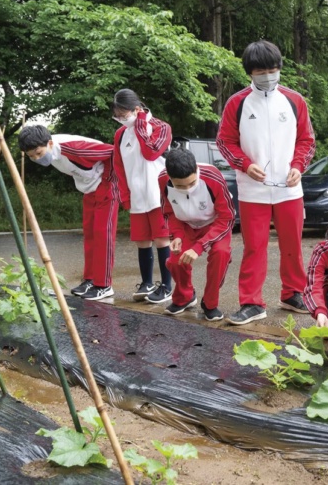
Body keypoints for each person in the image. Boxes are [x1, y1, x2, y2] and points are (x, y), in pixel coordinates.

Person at [217, 40, 316, 325]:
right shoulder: (237, 103)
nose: (268, 76)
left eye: (273, 70)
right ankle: (251, 302)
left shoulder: (294, 100)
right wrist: (245, 165)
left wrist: (298, 166)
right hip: (252, 189)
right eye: (261, 71)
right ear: (250, 72)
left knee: (292, 244)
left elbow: (307, 140)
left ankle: (293, 293)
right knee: (254, 246)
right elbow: (225, 142)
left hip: (289, 188)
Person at [18, 125, 119, 301]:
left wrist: (107, 181)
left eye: (39, 153)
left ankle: (104, 285)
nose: (36, 158)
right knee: (89, 234)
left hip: (106, 184)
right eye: (31, 157)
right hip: (88, 189)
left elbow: (114, 153)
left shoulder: (72, 147)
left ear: (49, 143)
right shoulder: (52, 152)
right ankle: (90, 279)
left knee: (103, 234)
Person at [111, 88, 174, 304]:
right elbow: (119, 168)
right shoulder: (120, 135)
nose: (120, 119)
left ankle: (167, 285)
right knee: (142, 241)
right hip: (137, 195)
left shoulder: (161, 127)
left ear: (137, 109)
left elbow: (151, 152)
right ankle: (146, 282)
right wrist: (125, 196)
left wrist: (139, 126)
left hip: (158, 195)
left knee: (161, 238)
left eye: (123, 114)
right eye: (117, 115)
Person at [159, 146, 236, 320]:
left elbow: (227, 217)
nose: (187, 189)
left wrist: (199, 246)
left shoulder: (213, 176)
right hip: (185, 225)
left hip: (215, 224)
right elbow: (169, 211)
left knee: (220, 254)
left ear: (196, 170)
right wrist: (177, 235)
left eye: (192, 183)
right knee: (174, 261)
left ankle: (210, 303)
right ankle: (185, 297)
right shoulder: (162, 180)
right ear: (170, 177)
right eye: (180, 186)